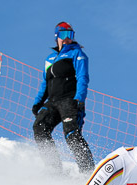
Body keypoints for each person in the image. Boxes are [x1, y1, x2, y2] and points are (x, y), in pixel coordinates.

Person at [32, 21, 95, 173]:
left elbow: (82, 77)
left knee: (71, 135)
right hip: (52, 102)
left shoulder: (77, 53)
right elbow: (44, 83)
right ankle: (54, 169)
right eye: (64, 35)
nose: (67, 39)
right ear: (57, 37)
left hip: (70, 100)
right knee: (39, 128)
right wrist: (38, 102)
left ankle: (88, 172)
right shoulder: (49, 59)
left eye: (70, 35)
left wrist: (79, 98)